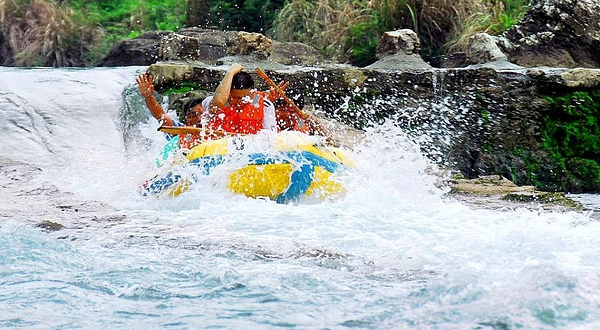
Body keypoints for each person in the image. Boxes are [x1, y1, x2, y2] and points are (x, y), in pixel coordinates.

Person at [136, 73, 204, 149]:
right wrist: (148, 97)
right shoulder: (179, 131)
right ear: (186, 120)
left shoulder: (217, 132)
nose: (199, 119)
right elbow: (160, 115)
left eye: (203, 115)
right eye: (193, 115)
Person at [204, 63, 276, 134]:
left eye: (244, 96)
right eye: (234, 97)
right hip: (219, 144)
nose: (240, 100)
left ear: (251, 92)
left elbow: (271, 135)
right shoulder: (212, 101)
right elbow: (218, 102)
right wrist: (230, 73)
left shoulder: (261, 102)